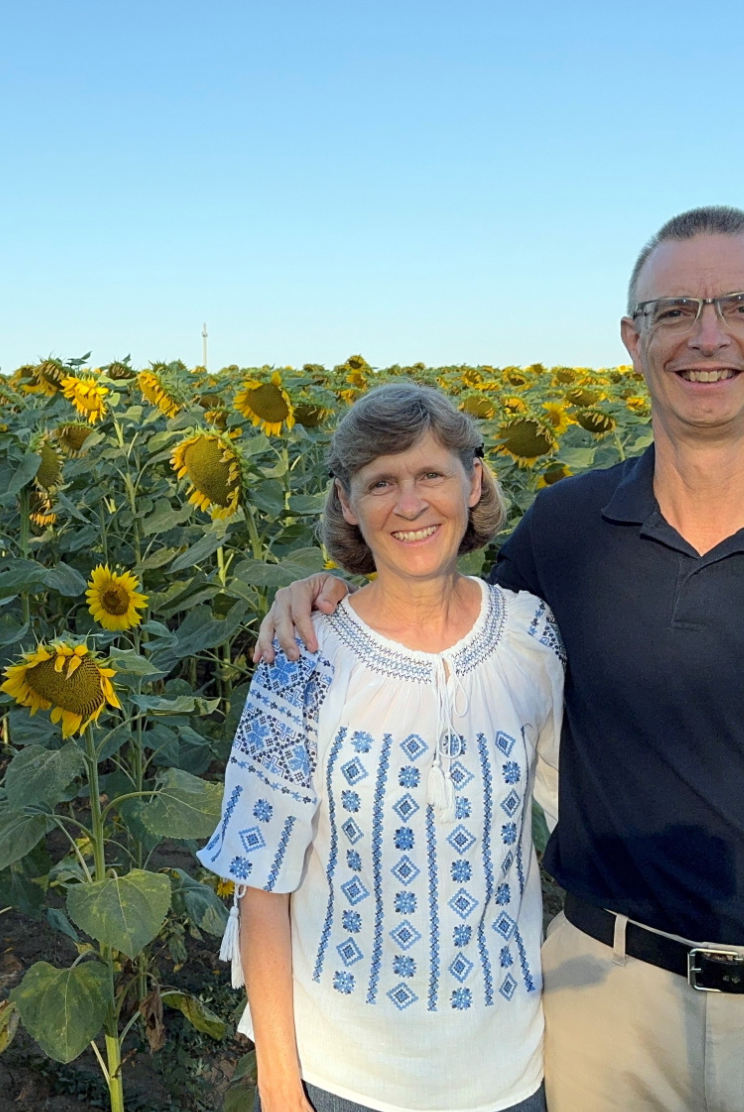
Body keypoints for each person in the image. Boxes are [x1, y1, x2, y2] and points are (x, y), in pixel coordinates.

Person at [255, 206, 744, 1111]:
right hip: (606, 1004)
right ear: (632, 341)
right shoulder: (568, 533)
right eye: (674, 311)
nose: (708, 335)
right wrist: (318, 591)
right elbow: (431, 601)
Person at [199, 382, 562, 1112]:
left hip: (510, 1070)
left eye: (431, 473)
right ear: (347, 503)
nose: (410, 503)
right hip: (345, 1077)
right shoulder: (303, 654)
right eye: (381, 482)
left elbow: (587, 807)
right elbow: (262, 886)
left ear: (475, 481)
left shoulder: (530, 637)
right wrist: (279, 1086)